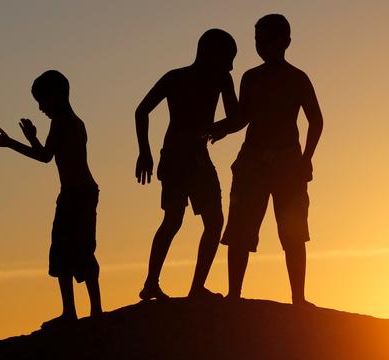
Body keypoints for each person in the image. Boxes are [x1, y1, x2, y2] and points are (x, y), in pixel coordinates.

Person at [211, 14, 323, 305]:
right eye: (258, 40)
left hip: (288, 163)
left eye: (267, 39)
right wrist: (221, 127)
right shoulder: (251, 77)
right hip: (253, 162)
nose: (262, 45)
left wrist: (306, 159)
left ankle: (298, 297)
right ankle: (234, 294)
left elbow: (317, 120)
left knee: (293, 232)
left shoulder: (298, 78)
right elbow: (243, 118)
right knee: (240, 230)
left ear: (285, 42)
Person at [0, 70, 102, 327]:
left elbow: (44, 157)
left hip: (77, 194)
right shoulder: (73, 121)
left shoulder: (64, 122)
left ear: (58, 96)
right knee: (69, 250)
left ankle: (85, 311)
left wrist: (12, 143)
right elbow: (48, 154)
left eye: (42, 101)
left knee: (76, 250)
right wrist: (30, 138)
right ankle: (82, 311)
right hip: (77, 193)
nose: (40, 107)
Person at [135, 29, 238, 300]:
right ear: (210, 54)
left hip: (188, 154)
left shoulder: (213, 78)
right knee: (193, 220)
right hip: (182, 156)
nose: (231, 66)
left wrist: (217, 128)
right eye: (228, 58)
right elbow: (141, 110)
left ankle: (177, 286)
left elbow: (237, 118)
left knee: (188, 221)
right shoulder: (180, 78)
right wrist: (143, 152)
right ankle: (158, 284)